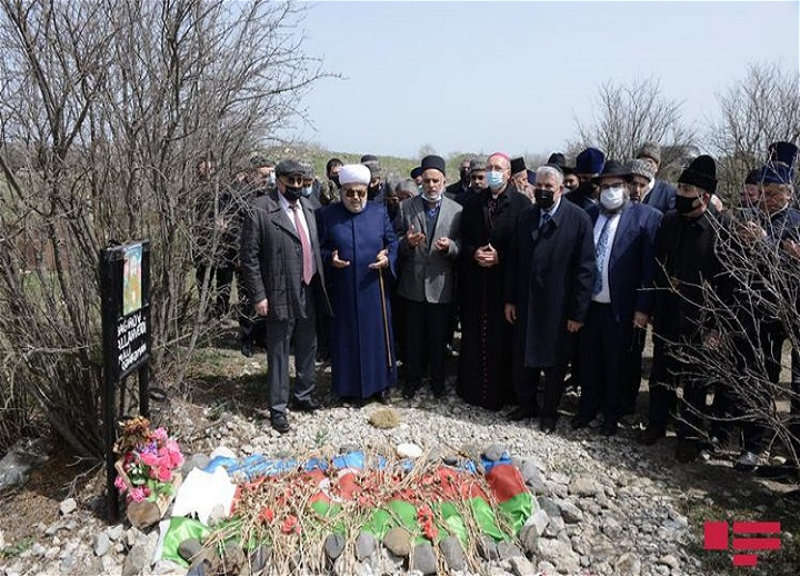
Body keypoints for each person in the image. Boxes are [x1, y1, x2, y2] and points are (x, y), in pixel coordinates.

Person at [643, 155, 733, 462]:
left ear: (704, 196)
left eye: (686, 190)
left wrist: (717, 328)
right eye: (679, 187)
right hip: (668, 312)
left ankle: (689, 436)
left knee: (695, 382)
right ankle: (656, 424)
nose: (680, 194)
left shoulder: (721, 230)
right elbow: (658, 266)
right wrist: (654, 306)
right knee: (661, 374)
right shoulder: (669, 221)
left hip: (700, 320)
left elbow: (727, 285)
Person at [240, 159, 331, 434]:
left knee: (308, 344)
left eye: (300, 182)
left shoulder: (309, 207)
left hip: (308, 287)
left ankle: (303, 395)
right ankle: (278, 408)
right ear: (278, 181)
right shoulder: (260, 210)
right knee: (279, 351)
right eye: (290, 181)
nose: (295, 187)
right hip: (278, 290)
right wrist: (259, 295)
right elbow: (249, 257)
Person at [571, 161, 662, 436]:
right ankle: (587, 409)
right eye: (605, 186)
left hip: (621, 308)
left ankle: (611, 415)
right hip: (590, 306)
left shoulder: (644, 218)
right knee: (589, 361)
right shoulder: (588, 215)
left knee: (616, 364)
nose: (610, 191)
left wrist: (643, 308)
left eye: (616, 186)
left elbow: (649, 268)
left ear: (627, 187)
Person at [504, 165, 595, 433]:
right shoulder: (526, 216)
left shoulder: (578, 219)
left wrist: (578, 313)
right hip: (526, 301)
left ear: (561, 189)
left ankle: (549, 411)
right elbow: (514, 260)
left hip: (559, 306)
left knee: (555, 363)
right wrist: (509, 299)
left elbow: (585, 269)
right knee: (523, 357)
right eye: (539, 186)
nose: (543, 191)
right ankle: (527, 403)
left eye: (549, 187)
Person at [318, 164, 399, 402]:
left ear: (366, 191)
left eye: (360, 193)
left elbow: (393, 242)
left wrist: (388, 257)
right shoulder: (327, 215)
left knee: (376, 337)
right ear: (341, 192)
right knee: (346, 338)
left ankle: (381, 386)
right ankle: (346, 388)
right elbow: (319, 248)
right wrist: (329, 258)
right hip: (343, 289)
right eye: (350, 193)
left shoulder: (378, 212)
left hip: (374, 287)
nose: (355, 198)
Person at [457, 152, 530, 410]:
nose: (492, 171)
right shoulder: (472, 203)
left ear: (509, 173)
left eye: (498, 167)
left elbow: (525, 249)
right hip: (476, 285)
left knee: (503, 342)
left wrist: (501, 256)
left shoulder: (522, 205)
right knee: (475, 339)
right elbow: (462, 241)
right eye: (489, 167)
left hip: (504, 285)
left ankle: (503, 394)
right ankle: (473, 391)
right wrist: (474, 252)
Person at [395, 155, 462, 399]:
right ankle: (412, 380)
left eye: (436, 181)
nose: (431, 186)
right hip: (412, 284)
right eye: (427, 181)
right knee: (413, 338)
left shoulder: (456, 211)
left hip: (440, 285)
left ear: (444, 181)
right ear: (420, 182)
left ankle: (437, 382)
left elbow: (463, 244)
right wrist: (407, 243)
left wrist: (452, 247)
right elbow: (394, 241)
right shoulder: (406, 207)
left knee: (438, 339)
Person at [636, 142, 677, 213]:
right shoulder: (628, 187)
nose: (645, 165)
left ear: (657, 168)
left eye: (650, 162)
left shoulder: (668, 193)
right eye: (641, 161)